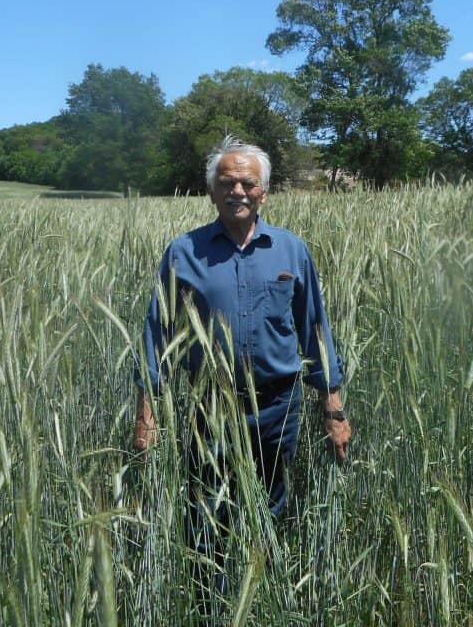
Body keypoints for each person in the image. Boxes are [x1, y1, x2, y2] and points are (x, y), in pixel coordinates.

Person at [133, 136, 352, 608]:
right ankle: (209, 606)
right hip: (208, 407)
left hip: (278, 406)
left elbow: (315, 329)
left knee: (271, 510)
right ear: (211, 191)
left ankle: (260, 602)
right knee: (207, 513)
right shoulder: (183, 252)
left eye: (247, 182)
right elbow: (158, 333)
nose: (238, 190)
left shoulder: (291, 251)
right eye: (226, 182)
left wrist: (332, 406)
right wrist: (147, 411)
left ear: (264, 192)